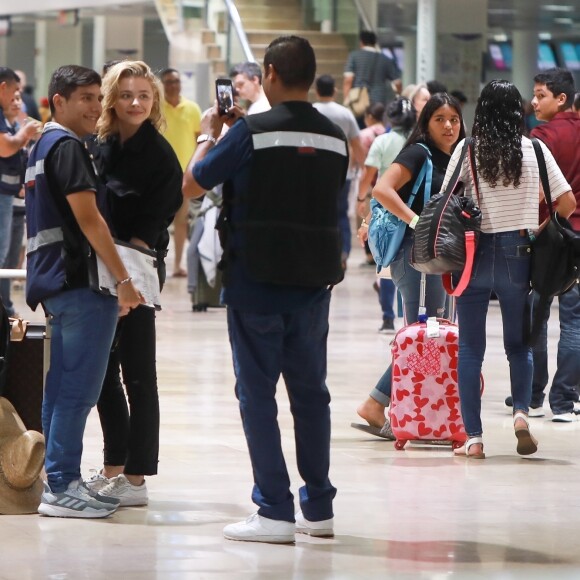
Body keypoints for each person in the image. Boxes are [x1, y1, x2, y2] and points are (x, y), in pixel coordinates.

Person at [183, 35, 348, 544]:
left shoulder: (250, 130)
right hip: (313, 280)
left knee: (257, 394)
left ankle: (274, 509)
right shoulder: (334, 136)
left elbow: (195, 182)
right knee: (310, 395)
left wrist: (210, 135)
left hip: (257, 278)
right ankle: (318, 508)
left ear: (271, 73)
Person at [25, 64, 142, 518]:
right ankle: (62, 486)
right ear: (58, 101)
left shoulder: (42, 145)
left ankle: (57, 478)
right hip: (80, 283)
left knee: (60, 387)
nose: (96, 106)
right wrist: (125, 281)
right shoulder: (69, 146)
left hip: (55, 282)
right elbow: (89, 219)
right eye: (85, 98)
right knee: (77, 389)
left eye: (98, 97)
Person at [443, 80, 576, 458]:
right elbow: (566, 203)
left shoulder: (467, 150)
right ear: (518, 110)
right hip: (519, 253)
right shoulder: (534, 149)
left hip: (474, 254)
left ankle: (474, 438)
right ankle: (520, 414)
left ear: (481, 110)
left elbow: (447, 200)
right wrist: (536, 218)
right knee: (519, 346)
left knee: (470, 348)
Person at [85, 61, 183, 506]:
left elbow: (150, 226)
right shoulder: (98, 147)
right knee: (102, 372)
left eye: (144, 95)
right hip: (99, 268)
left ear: (155, 101)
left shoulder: (161, 156)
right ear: (111, 99)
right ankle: (114, 466)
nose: (136, 103)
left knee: (139, 373)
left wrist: (125, 283)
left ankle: (138, 477)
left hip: (138, 272)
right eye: (126, 95)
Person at [353, 93, 465, 437]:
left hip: (440, 257)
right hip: (414, 255)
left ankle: (405, 409)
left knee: (432, 335)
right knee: (425, 337)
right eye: (439, 120)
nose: (448, 126)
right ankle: (376, 403)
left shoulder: (458, 156)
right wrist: (416, 221)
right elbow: (382, 189)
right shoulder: (420, 153)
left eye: (454, 120)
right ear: (426, 124)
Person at [505, 68, 580, 422]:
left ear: (561, 98)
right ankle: (564, 402)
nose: (533, 102)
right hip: (578, 237)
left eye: (541, 95)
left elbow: (533, 189)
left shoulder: (541, 136)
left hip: (548, 236)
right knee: (575, 321)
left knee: (536, 315)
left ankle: (533, 395)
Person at [356, 97, 416, 333]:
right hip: (412, 207)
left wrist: (362, 199)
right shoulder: (419, 142)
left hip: (385, 208)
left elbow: (368, 175)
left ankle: (388, 317)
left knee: (385, 261)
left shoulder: (382, 141)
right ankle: (405, 315)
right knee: (410, 262)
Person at [313, 74, 365, 268]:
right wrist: (362, 166)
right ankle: (342, 254)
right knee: (341, 213)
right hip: (342, 173)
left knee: (316, 212)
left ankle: (319, 252)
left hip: (314, 173)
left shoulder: (311, 111)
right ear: (335, 91)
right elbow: (357, 144)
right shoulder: (345, 113)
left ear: (316, 91)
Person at [159, 68, 202, 278]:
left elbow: (199, 140)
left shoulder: (193, 109)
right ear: (162, 84)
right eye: (168, 82)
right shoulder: (156, 108)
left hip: (185, 175)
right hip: (160, 176)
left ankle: (177, 264)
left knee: (182, 221)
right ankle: (155, 260)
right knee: (157, 220)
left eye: (176, 81)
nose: (173, 85)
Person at [0, 68, 41, 288]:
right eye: (15, 92)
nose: (18, 100)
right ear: (3, 88)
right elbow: (5, 148)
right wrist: (25, 135)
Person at [0, 91, 27, 316]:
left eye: (20, 98)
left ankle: (6, 306)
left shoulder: (17, 129)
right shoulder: (12, 133)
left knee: (9, 261)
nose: (17, 102)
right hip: (5, 201)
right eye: (13, 97)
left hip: (19, 206)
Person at [343, 30, 400, 119]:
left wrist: (347, 99)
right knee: (377, 128)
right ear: (375, 42)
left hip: (358, 101)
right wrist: (399, 95)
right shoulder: (385, 59)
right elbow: (397, 82)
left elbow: (348, 80)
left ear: (361, 42)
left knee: (359, 129)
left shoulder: (354, 56)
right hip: (378, 102)